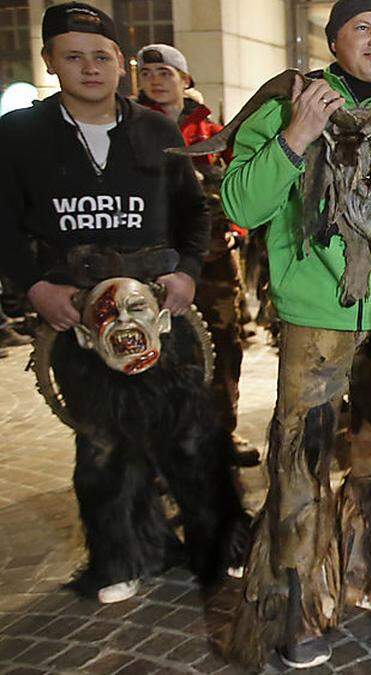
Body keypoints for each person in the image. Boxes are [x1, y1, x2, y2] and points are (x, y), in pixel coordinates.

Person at [217, 0, 371, 667]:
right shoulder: (290, 106)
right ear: (332, 41)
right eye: (364, 30)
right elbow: (240, 204)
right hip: (315, 322)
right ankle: (297, 611)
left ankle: (366, 584)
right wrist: (295, 138)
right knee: (300, 466)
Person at [0, 2, 214, 600]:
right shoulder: (18, 136)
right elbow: (3, 227)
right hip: (78, 320)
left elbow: (193, 215)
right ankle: (119, 557)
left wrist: (189, 272)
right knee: (101, 442)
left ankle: (213, 546)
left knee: (190, 433)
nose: (90, 68)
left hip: (160, 314)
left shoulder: (157, 129)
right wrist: (37, 287)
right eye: (74, 56)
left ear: (120, 62)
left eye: (101, 56)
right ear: (50, 62)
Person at [135, 43, 258, 465]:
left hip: (214, 259)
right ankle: (164, 443)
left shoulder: (212, 131)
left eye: (165, 72)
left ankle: (222, 434)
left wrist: (237, 231)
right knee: (155, 350)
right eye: (147, 72)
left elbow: (241, 185)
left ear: (185, 81)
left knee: (224, 345)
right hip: (151, 262)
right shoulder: (128, 128)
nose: (156, 79)